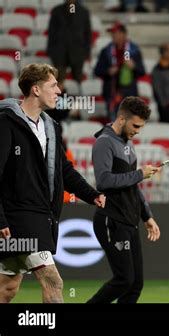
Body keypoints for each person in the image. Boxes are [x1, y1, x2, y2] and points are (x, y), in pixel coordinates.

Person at [0, 64, 106, 303]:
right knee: (53, 281)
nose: (59, 91)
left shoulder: (51, 128)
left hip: (39, 218)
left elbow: (64, 171)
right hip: (20, 220)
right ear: (36, 89)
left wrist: (91, 195)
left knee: (7, 288)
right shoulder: (5, 123)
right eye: (53, 85)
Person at [87, 96, 161, 304]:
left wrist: (146, 216)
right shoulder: (104, 143)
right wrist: (139, 174)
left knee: (135, 284)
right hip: (111, 220)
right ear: (121, 119)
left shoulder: (127, 143)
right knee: (124, 280)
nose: (138, 130)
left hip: (129, 220)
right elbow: (103, 181)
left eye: (141, 127)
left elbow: (131, 185)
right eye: (135, 125)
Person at [94, 21, 146, 121]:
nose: (113, 36)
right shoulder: (106, 51)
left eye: (116, 33)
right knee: (114, 124)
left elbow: (142, 71)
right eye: (112, 33)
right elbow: (97, 70)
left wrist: (134, 66)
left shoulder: (134, 50)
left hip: (129, 94)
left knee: (128, 124)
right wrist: (108, 71)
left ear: (123, 34)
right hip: (111, 93)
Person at [47, 0, 92, 84]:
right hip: (59, 53)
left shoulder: (84, 12)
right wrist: (51, 51)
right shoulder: (56, 11)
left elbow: (87, 34)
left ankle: (77, 97)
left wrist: (86, 52)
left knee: (78, 82)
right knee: (59, 83)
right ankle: (60, 97)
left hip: (78, 53)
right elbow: (51, 32)